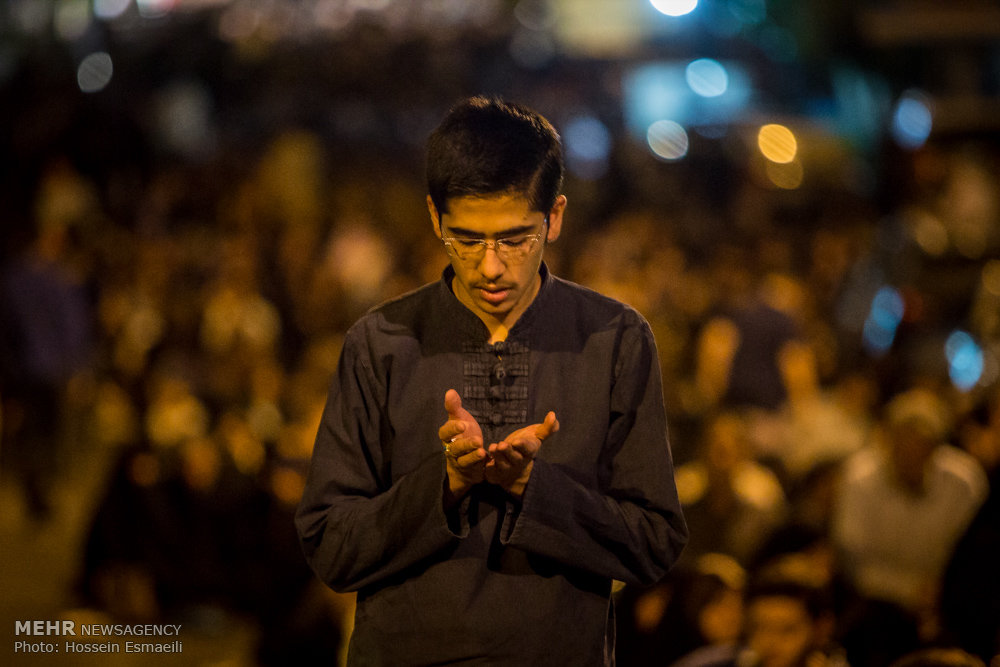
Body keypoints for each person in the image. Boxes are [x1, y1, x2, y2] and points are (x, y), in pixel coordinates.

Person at [295, 96, 688, 665]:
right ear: (434, 218)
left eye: (514, 238)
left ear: (554, 217)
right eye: (467, 239)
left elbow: (654, 543)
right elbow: (330, 546)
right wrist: (447, 483)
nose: (491, 266)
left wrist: (535, 489)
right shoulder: (380, 343)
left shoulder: (613, 340)